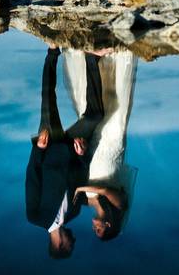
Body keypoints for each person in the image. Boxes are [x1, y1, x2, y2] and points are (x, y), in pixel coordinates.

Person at [24, 47, 105, 258]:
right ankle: (91, 57)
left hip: (48, 147)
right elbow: (80, 177)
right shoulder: (74, 213)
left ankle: (52, 53)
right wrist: (82, 154)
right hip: (71, 149)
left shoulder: (35, 217)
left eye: (72, 245)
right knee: (95, 116)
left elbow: (32, 179)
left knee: (48, 100)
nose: (75, 240)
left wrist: (38, 150)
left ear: (61, 246)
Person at [62, 47, 138, 241]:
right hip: (112, 144)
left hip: (96, 147)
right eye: (99, 230)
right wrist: (80, 189)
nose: (94, 228)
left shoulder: (88, 202)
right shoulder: (120, 205)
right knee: (116, 106)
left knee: (89, 106)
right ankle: (116, 54)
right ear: (108, 225)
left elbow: (88, 167)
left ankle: (90, 57)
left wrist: (83, 152)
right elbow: (104, 189)